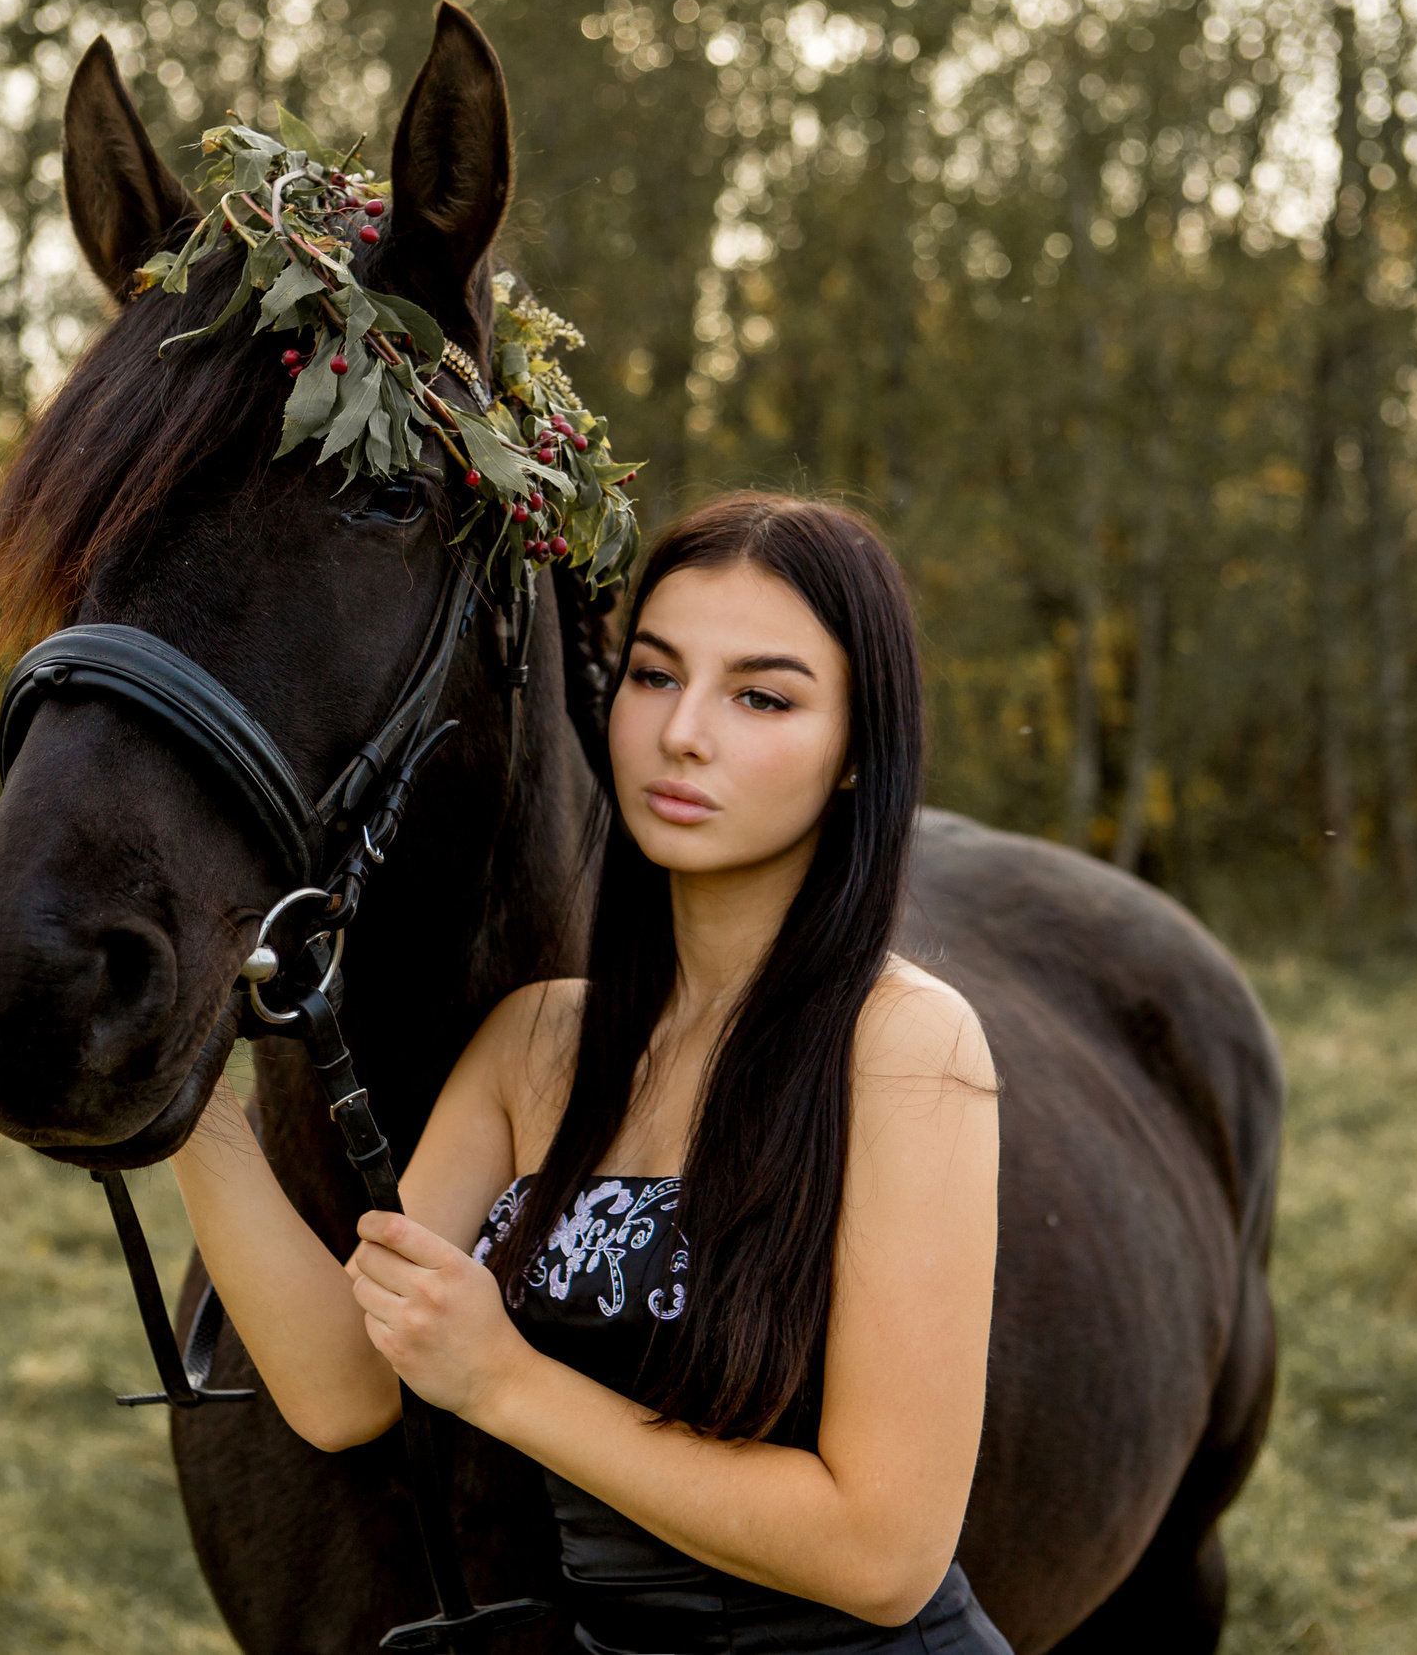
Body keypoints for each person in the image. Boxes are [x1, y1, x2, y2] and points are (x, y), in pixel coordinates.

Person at [167, 493, 1009, 1652]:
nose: (682, 734)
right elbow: (345, 1389)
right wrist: (181, 1100)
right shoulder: (536, 1046)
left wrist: (506, 1383)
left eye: (761, 696)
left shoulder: (905, 1046)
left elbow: (883, 1555)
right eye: (656, 677)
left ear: (859, 752)